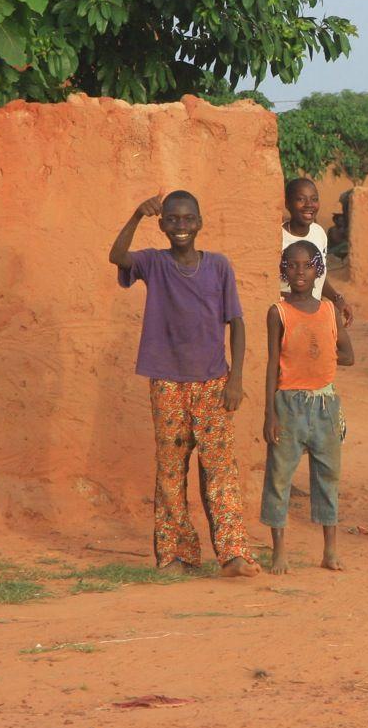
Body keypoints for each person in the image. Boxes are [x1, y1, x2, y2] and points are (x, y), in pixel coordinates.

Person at [109, 190, 260, 577]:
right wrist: (135, 215)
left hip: (213, 381)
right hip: (167, 383)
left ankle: (233, 554)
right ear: (161, 225)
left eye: (187, 219)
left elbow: (237, 323)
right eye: (172, 220)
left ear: (199, 223)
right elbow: (118, 256)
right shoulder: (154, 264)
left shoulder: (218, 267)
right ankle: (176, 555)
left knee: (221, 468)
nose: (180, 227)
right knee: (172, 470)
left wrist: (235, 378)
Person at [263, 240, 356, 574]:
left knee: (328, 476)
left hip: (324, 403)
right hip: (288, 403)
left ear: (318, 270)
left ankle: (330, 551)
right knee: (279, 477)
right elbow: (273, 363)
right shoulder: (278, 312)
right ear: (283, 271)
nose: (299, 272)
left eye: (307, 266)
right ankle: (280, 552)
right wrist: (269, 414)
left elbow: (348, 355)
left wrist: (320, 354)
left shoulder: (329, 310)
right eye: (292, 266)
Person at [282, 178, 354, 324]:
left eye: (314, 199)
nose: (309, 205)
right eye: (301, 199)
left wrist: (337, 299)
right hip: (287, 317)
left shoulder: (318, 233)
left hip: (314, 314)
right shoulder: (278, 238)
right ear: (287, 204)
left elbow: (318, 276)